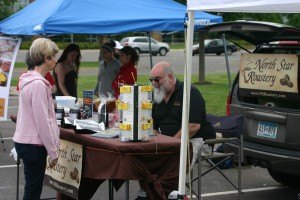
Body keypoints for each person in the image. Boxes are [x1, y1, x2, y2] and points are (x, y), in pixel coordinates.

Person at [13, 38, 60, 200]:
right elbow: (43, 122)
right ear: (46, 58)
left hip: (25, 142)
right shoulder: (38, 85)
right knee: (33, 191)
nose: (55, 60)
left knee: (32, 188)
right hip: (33, 146)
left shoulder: (29, 80)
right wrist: (53, 152)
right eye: (53, 56)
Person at [151, 61, 216, 165]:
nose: (154, 83)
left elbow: (193, 126)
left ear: (170, 77)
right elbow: (153, 127)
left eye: (157, 79)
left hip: (196, 140)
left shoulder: (189, 93)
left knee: (171, 163)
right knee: (145, 158)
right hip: (168, 141)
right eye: (152, 79)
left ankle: (168, 181)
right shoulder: (157, 97)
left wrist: (170, 143)